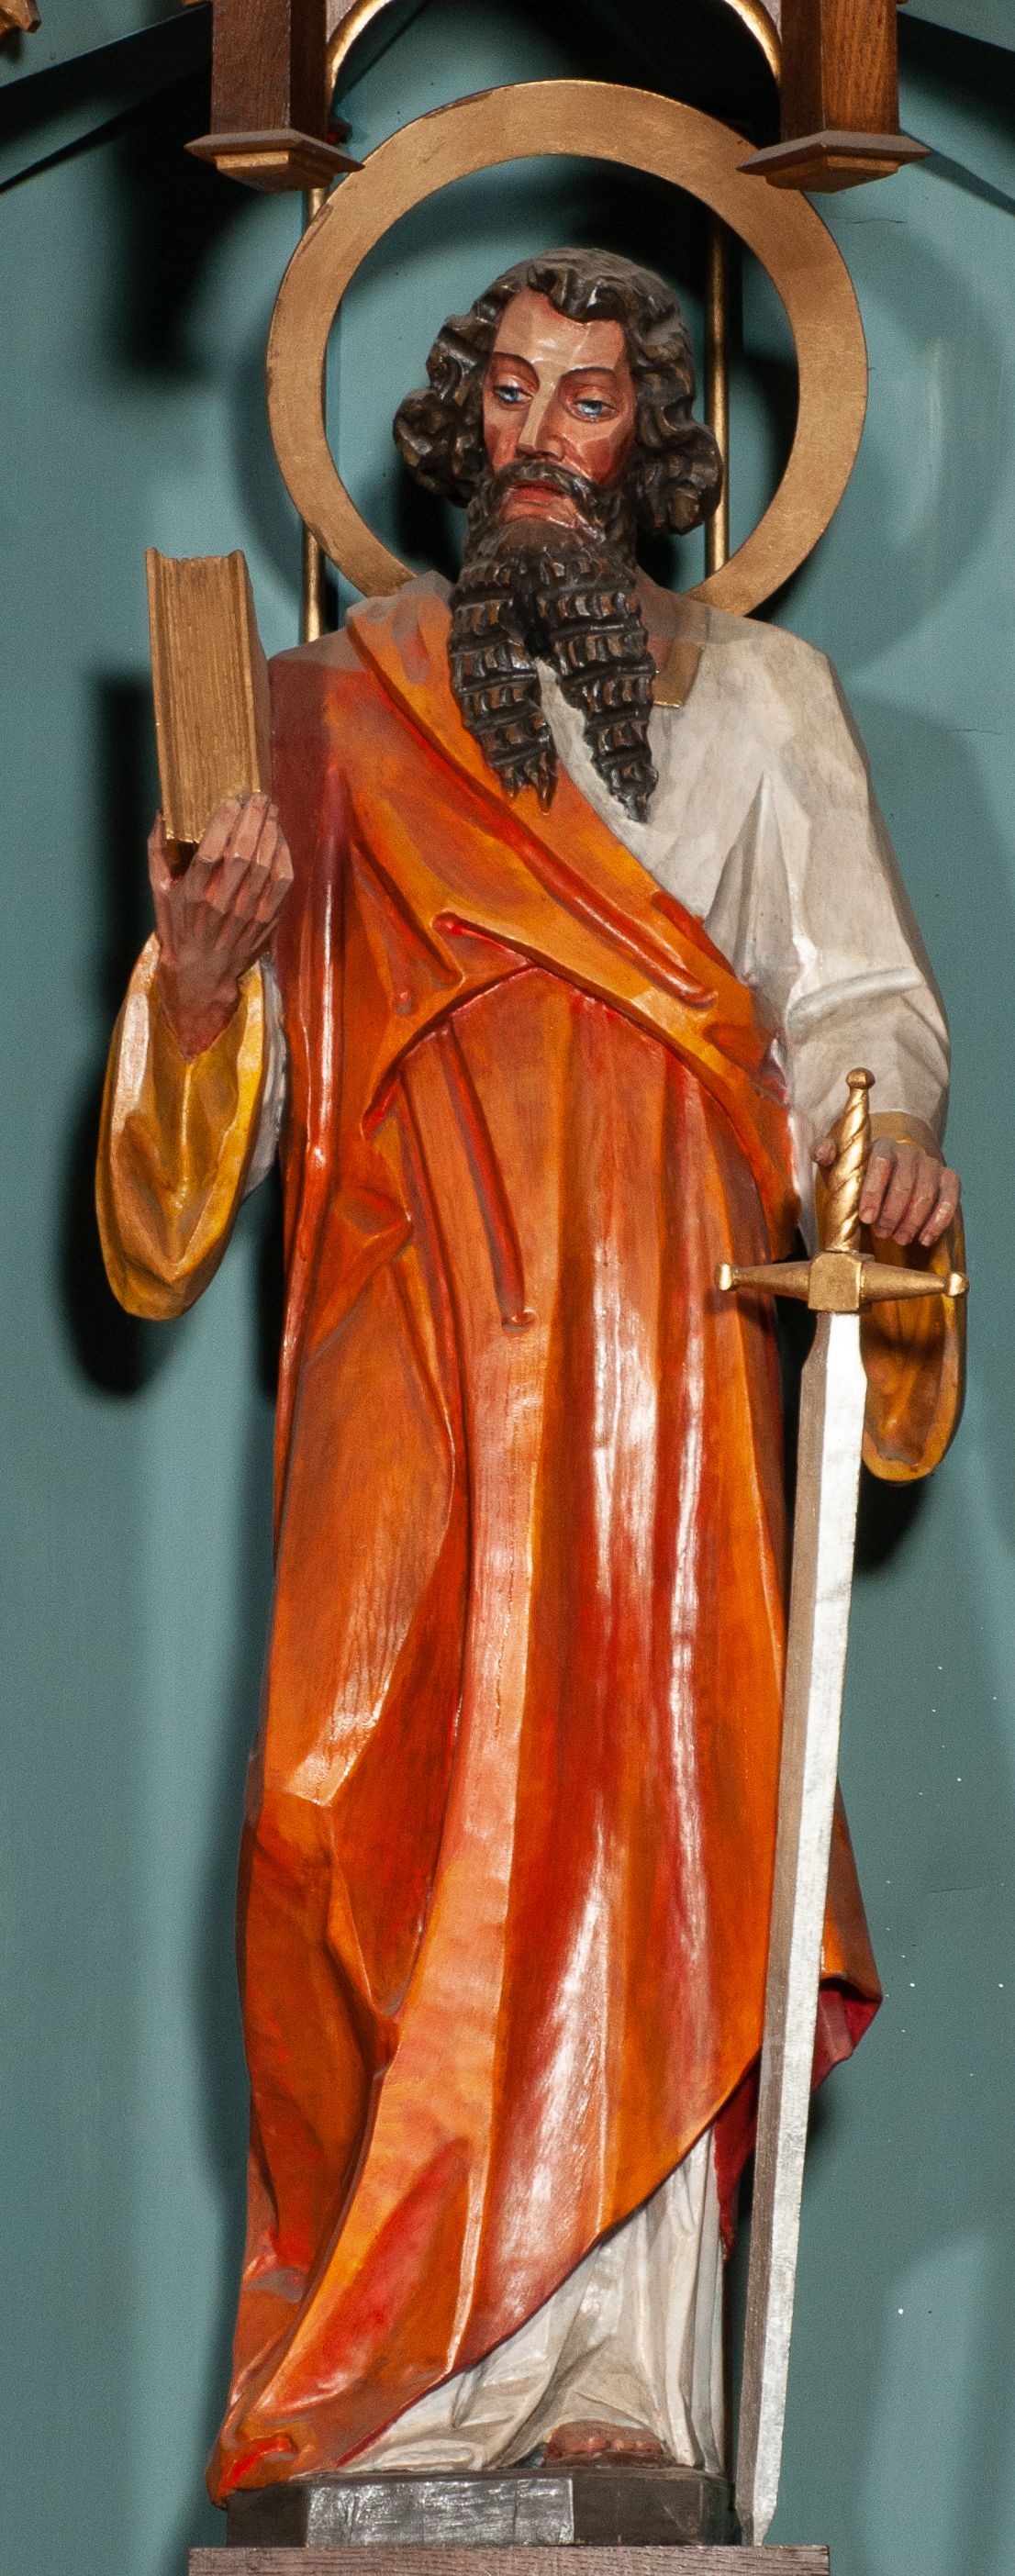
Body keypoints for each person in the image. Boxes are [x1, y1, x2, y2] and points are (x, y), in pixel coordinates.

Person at [97, 251, 963, 2504]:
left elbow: (856, 1004)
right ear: (448, 432)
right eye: (505, 394)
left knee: (643, 1790)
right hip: (402, 1331)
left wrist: (880, 1148)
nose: (540, 439)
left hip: (665, 1340)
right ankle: (397, 2374)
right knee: (348, 1812)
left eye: (589, 400)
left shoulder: (760, 697)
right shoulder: (315, 711)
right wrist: (199, 986)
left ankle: (612, 2380)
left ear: (655, 445)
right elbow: (192, 1170)